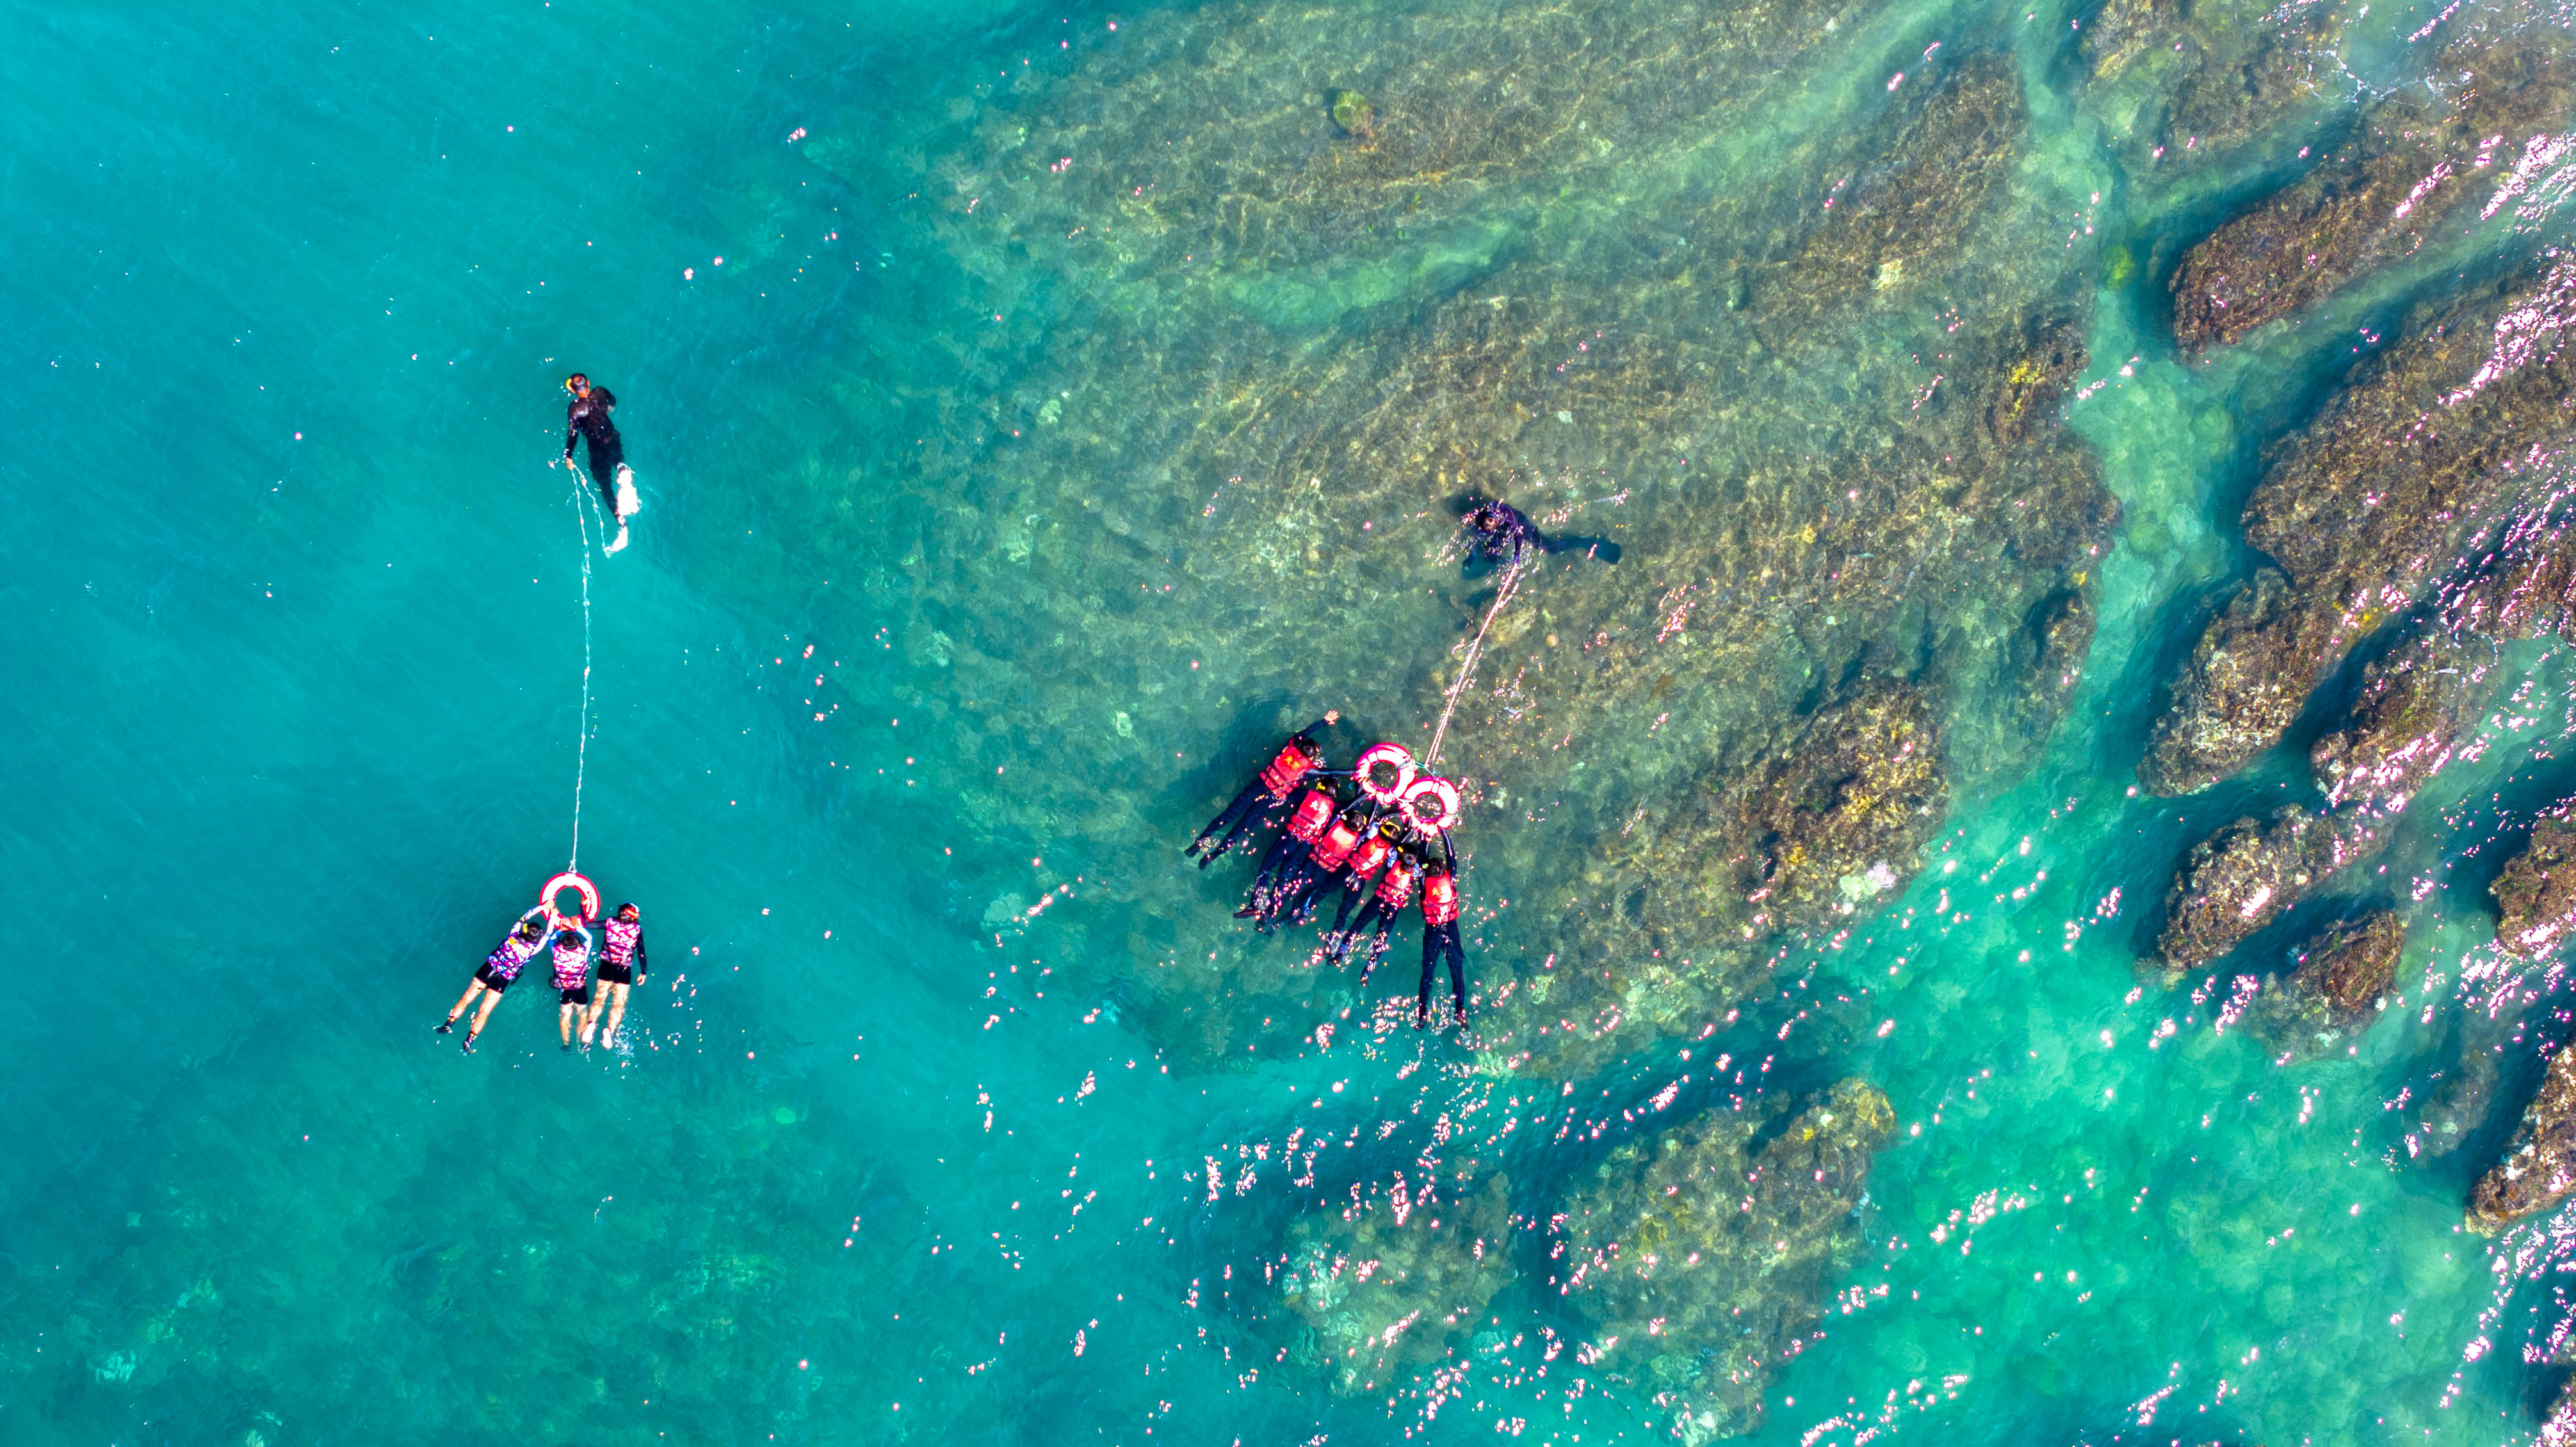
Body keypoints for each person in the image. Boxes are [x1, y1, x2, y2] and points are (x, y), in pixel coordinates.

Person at [1187, 711, 1339, 867]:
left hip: (1258, 787)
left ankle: (1197, 845)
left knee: (1227, 816)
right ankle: (1213, 855)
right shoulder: (1307, 772)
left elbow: (1303, 733)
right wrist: (1355, 772)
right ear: (1312, 758)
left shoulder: (1289, 747)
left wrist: (1323, 722)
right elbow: (1332, 773)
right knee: (1240, 830)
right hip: (1269, 800)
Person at [439, 909, 549, 1055]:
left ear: (526, 929)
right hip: (502, 979)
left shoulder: (513, 935)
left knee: (467, 998)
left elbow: (523, 918)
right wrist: (553, 914)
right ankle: (469, 1039)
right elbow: (548, 933)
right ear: (537, 938)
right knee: (484, 1011)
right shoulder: (533, 949)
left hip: (488, 969)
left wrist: (542, 906)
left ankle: (449, 1023)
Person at [559, 374, 641, 551]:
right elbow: (613, 402)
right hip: (612, 439)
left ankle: (621, 521)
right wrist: (608, 408)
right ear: (588, 384)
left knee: (605, 486)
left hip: (596, 449)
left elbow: (572, 434)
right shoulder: (600, 392)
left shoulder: (574, 410)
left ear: (573, 390)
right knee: (619, 463)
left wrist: (568, 455)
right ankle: (623, 473)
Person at [1459, 496, 1619, 574]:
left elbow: (1517, 533)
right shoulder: (1481, 518)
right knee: (1490, 555)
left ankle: (1587, 542)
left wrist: (1516, 554)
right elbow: (1477, 537)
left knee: (1551, 548)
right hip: (1501, 529)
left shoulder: (1505, 512)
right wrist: (1472, 556)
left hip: (1518, 523)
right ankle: (1494, 560)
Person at [581, 902, 648, 1049]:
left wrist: (582, 906)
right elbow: (641, 951)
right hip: (624, 969)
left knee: (600, 997)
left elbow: (586, 923)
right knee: (619, 1002)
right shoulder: (637, 929)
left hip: (606, 965)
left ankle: (591, 1025)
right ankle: (609, 1030)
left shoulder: (610, 922)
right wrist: (643, 971)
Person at [1416, 858, 1467, 1028]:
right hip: (1450, 929)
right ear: (1444, 871)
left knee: (1427, 974)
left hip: (1433, 931)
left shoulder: (1424, 884)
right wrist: (1444, 833)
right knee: (1457, 972)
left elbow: (1421, 860)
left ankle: (1422, 1015)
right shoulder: (1450, 880)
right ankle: (1459, 1011)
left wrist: (1426, 838)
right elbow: (1452, 859)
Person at [549, 922, 595, 1053]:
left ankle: (566, 1043)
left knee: (565, 1014)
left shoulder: (556, 951)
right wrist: (577, 927)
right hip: (580, 988)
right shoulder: (583, 952)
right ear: (578, 944)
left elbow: (551, 939)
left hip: (564, 989)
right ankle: (582, 1042)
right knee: (582, 1014)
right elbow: (589, 938)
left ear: (562, 945)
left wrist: (560, 930)